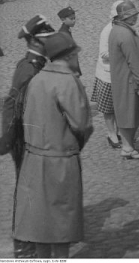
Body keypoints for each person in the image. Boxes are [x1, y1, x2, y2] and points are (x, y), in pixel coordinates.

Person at [13, 32, 93, 259]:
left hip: (33, 159)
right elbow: (82, 124)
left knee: (40, 225)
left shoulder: (37, 78)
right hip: (60, 161)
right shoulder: (68, 81)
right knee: (60, 226)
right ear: (69, 55)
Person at [0, 15, 55, 258]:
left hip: (35, 138)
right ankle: (23, 246)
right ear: (36, 41)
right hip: (26, 140)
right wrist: (9, 140)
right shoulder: (30, 68)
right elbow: (12, 105)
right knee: (27, 190)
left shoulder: (37, 64)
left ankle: (34, 238)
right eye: (47, 39)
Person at [109, 0, 139, 159]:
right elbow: (133, 60)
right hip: (128, 79)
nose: (135, 18)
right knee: (129, 113)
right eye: (132, 15)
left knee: (126, 112)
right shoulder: (125, 34)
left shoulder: (117, 30)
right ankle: (127, 147)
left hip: (122, 78)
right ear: (125, 17)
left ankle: (128, 146)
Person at [93, 0, 124, 149]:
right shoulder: (107, 31)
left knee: (119, 107)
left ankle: (118, 132)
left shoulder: (123, 29)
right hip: (107, 74)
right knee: (108, 108)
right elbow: (104, 53)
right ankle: (111, 134)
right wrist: (122, 53)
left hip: (119, 73)